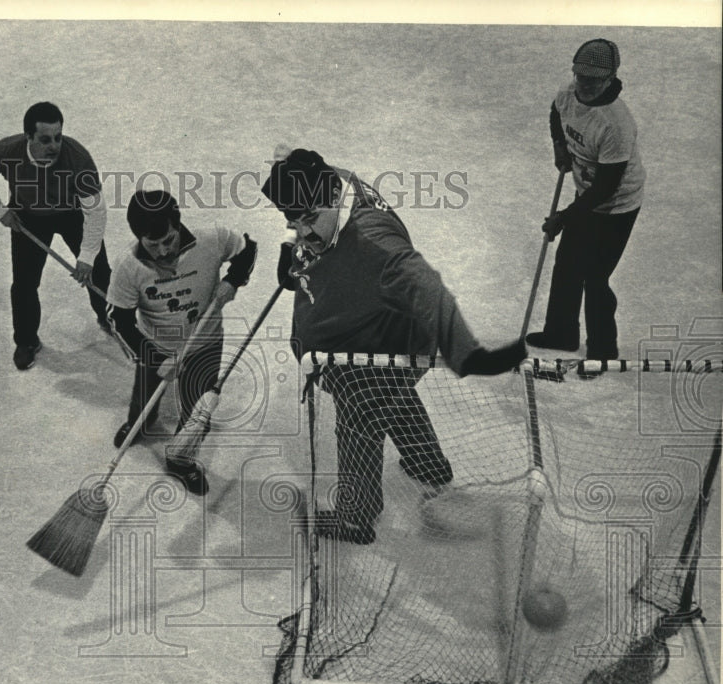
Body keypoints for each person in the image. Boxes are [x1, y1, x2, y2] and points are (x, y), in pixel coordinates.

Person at [261, 148, 525, 544]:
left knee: (358, 419)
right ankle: (428, 464)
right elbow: (303, 203)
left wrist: (465, 352)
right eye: (291, 220)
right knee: (393, 397)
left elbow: (428, 289)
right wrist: (291, 246)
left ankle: (356, 516)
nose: (302, 230)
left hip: (378, 346)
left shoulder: (374, 240)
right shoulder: (329, 179)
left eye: (310, 219)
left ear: (334, 197)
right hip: (363, 329)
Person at [105, 190, 258, 495]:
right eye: (153, 245)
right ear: (139, 238)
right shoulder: (128, 266)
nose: (163, 252)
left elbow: (247, 248)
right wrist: (155, 358)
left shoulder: (211, 239)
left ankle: (180, 458)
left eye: (169, 240)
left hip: (206, 341)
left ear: (178, 225)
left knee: (195, 407)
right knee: (144, 395)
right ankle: (141, 422)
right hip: (155, 343)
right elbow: (119, 320)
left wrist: (233, 278)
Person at [0, 101, 112, 370]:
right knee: (24, 284)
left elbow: (96, 211)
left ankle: (110, 317)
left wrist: (87, 256)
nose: (54, 146)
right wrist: (0, 212)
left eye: (58, 137)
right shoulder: (8, 152)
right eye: (45, 139)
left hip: (71, 213)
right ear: (28, 137)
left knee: (99, 271)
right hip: (27, 216)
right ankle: (26, 340)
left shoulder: (77, 158)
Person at [528, 38, 645, 361]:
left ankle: (603, 350)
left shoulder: (615, 123)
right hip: (586, 192)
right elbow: (556, 114)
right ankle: (561, 334)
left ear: (610, 78)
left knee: (595, 277)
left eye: (594, 79)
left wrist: (564, 218)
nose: (585, 84)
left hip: (617, 206)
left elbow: (606, 188)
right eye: (581, 76)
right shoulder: (568, 94)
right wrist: (560, 148)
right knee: (567, 266)